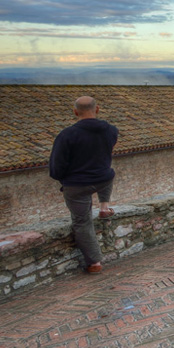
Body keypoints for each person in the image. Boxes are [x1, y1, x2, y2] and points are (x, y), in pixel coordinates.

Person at [50, 96, 119, 274]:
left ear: (75, 112)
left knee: (82, 222)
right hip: (103, 179)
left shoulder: (66, 135)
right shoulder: (111, 131)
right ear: (97, 109)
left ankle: (94, 262)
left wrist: (63, 179)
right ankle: (104, 205)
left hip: (76, 185)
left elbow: (57, 167)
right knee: (108, 173)